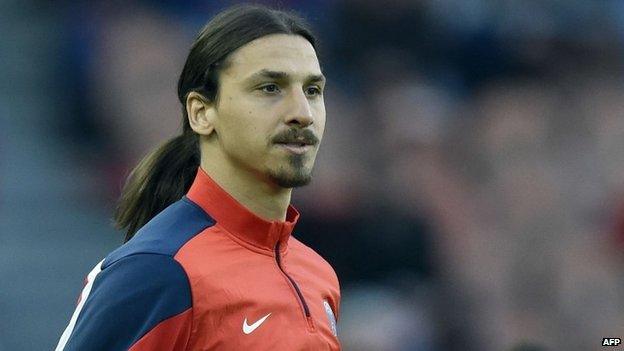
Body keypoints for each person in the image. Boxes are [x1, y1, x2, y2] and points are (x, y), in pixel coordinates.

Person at [55, 4, 341, 350]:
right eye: (269, 88)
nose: (302, 113)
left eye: (312, 90)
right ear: (201, 113)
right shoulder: (159, 270)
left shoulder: (317, 274)